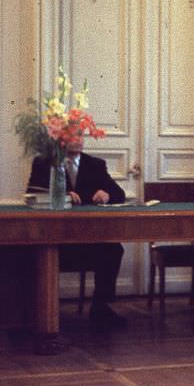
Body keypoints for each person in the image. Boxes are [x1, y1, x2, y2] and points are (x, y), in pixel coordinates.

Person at [27, 139, 128, 327]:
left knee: (113, 249)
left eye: (81, 135)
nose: (78, 140)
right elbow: (32, 194)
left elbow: (119, 194)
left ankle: (101, 307)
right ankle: (39, 311)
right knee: (33, 252)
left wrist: (107, 195)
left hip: (86, 237)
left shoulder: (95, 164)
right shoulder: (44, 163)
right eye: (72, 136)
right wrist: (60, 195)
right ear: (60, 139)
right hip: (54, 236)